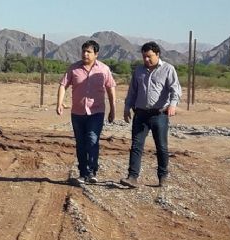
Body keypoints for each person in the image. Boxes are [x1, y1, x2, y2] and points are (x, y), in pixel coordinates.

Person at [120, 41, 181, 189]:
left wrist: (173, 105)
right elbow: (132, 91)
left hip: (159, 115)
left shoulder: (168, 69)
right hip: (140, 114)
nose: (146, 60)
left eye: (149, 56)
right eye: (144, 57)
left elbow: (176, 90)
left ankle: (162, 176)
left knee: (161, 147)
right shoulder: (139, 70)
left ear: (157, 54)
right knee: (136, 146)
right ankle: (132, 177)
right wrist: (127, 107)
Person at [56, 40, 116, 185]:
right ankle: (83, 173)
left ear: (96, 54)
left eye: (89, 52)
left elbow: (110, 87)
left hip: (96, 112)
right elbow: (63, 85)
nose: (85, 54)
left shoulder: (104, 69)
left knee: (92, 139)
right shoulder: (74, 69)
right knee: (81, 143)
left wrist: (113, 108)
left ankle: (92, 171)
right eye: (83, 51)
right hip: (77, 112)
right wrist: (59, 103)